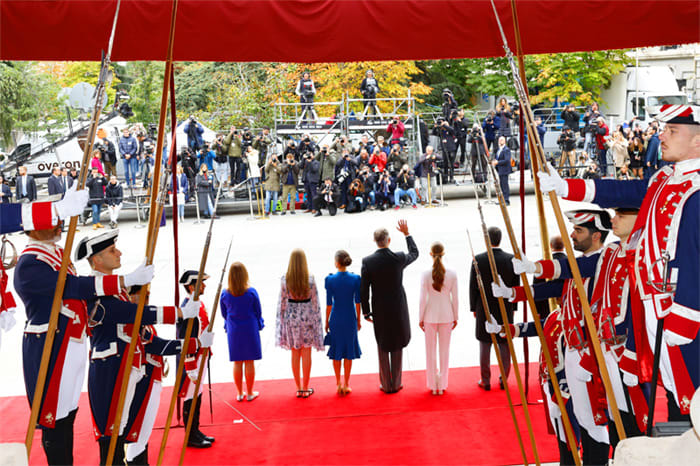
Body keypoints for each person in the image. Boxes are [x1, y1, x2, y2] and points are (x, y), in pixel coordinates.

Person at [538, 103, 700, 425]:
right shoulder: (665, 177)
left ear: (697, 141)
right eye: (664, 129)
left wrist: (686, 313)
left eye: (672, 131)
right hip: (655, 307)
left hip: (682, 310)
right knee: (674, 389)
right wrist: (568, 187)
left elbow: (696, 257)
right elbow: (629, 190)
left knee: (693, 388)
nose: (662, 136)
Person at [13, 210, 153, 465]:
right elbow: (71, 287)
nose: (59, 226)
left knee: (68, 415)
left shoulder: (54, 255)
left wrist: (127, 281)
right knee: (54, 420)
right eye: (52, 221)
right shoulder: (31, 263)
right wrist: (125, 281)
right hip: (52, 347)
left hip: (71, 344)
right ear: (34, 230)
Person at [491, 210, 614, 463]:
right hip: (574, 351)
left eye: (579, 231)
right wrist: (511, 294)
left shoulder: (601, 260)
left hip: (591, 354)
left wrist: (536, 266)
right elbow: (551, 287)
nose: (572, 235)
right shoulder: (578, 266)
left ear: (596, 236)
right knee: (583, 418)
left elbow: (571, 268)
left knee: (595, 419)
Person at [75, 231, 201, 464]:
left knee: (121, 434)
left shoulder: (117, 290)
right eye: (112, 251)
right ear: (96, 260)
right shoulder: (96, 292)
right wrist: (180, 313)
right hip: (110, 371)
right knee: (110, 442)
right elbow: (133, 314)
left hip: (126, 369)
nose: (119, 253)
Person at [361, 220, 419, 393]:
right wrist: (407, 234)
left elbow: (364, 289)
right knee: (397, 342)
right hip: (397, 306)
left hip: (379, 307)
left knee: (383, 343)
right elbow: (414, 253)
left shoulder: (368, 261)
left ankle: (386, 384)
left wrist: (366, 311)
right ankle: (397, 382)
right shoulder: (399, 257)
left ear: (375, 241)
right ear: (389, 240)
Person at [469, 226, 518, 391]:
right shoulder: (511, 259)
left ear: (486, 240)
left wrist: (473, 307)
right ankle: (504, 379)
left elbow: (473, 287)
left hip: (484, 306)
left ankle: (486, 380)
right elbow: (515, 285)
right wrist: (514, 306)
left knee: (485, 344)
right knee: (504, 344)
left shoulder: (478, 259)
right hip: (506, 304)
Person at [275, 249, 323, 397]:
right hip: (307, 318)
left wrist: (281, 323)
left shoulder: (285, 280)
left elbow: (281, 303)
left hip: (292, 319)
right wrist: (318, 323)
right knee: (307, 353)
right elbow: (315, 303)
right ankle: (306, 386)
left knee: (295, 353)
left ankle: (298, 387)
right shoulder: (310, 279)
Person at [177, 270, 216, 448]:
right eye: (201, 283)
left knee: (197, 393)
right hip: (193, 357)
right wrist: (190, 363)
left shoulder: (197, 304)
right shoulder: (188, 308)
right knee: (191, 396)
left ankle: (196, 431)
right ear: (192, 286)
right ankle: (190, 435)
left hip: (201, 354)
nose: (204, 286)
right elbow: (186, 337)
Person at [220, 262, 264, 402]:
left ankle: (239, 392)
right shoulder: (251, 292)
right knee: (249, 361)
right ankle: (250, 392)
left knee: (237, 362)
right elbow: (258, 311)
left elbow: (223, 313)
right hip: (249, 328)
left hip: (234, 329)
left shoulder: (225, 294)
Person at [419, 242, 458, 395]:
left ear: (430, 254)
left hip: (430, 315)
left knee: (430, 351)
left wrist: (420, 317)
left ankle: (432, 385)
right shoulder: (453, 273)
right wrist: (456, 316)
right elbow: (455, 298)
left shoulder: (425, 273)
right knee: (444, 351)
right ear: (444, 253)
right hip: (447, 315)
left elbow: (422, 299)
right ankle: (442, 385)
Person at [324, 250, 362, 395]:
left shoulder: (330, 280)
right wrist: (358, 319)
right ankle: (346, 383)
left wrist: (327, 321)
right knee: (348, 351)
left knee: (336, 350)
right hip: (350, 317)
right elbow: (357, 301)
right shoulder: (355, 279)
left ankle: (338, 382)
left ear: (337, 263)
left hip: (336, 317)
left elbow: (329, 304)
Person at [492, 136, 512, 205]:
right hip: (500, 170)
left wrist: (498, 162)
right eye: (499, 140)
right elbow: (498, 158)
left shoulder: (506, 149)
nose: (500, 141)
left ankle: (506, 200)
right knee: (501, 185)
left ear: (505, 141)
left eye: (502, 140)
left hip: (504, 170)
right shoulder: (499, 149)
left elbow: (507, 160)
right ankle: (502, 199)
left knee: (505, 185)